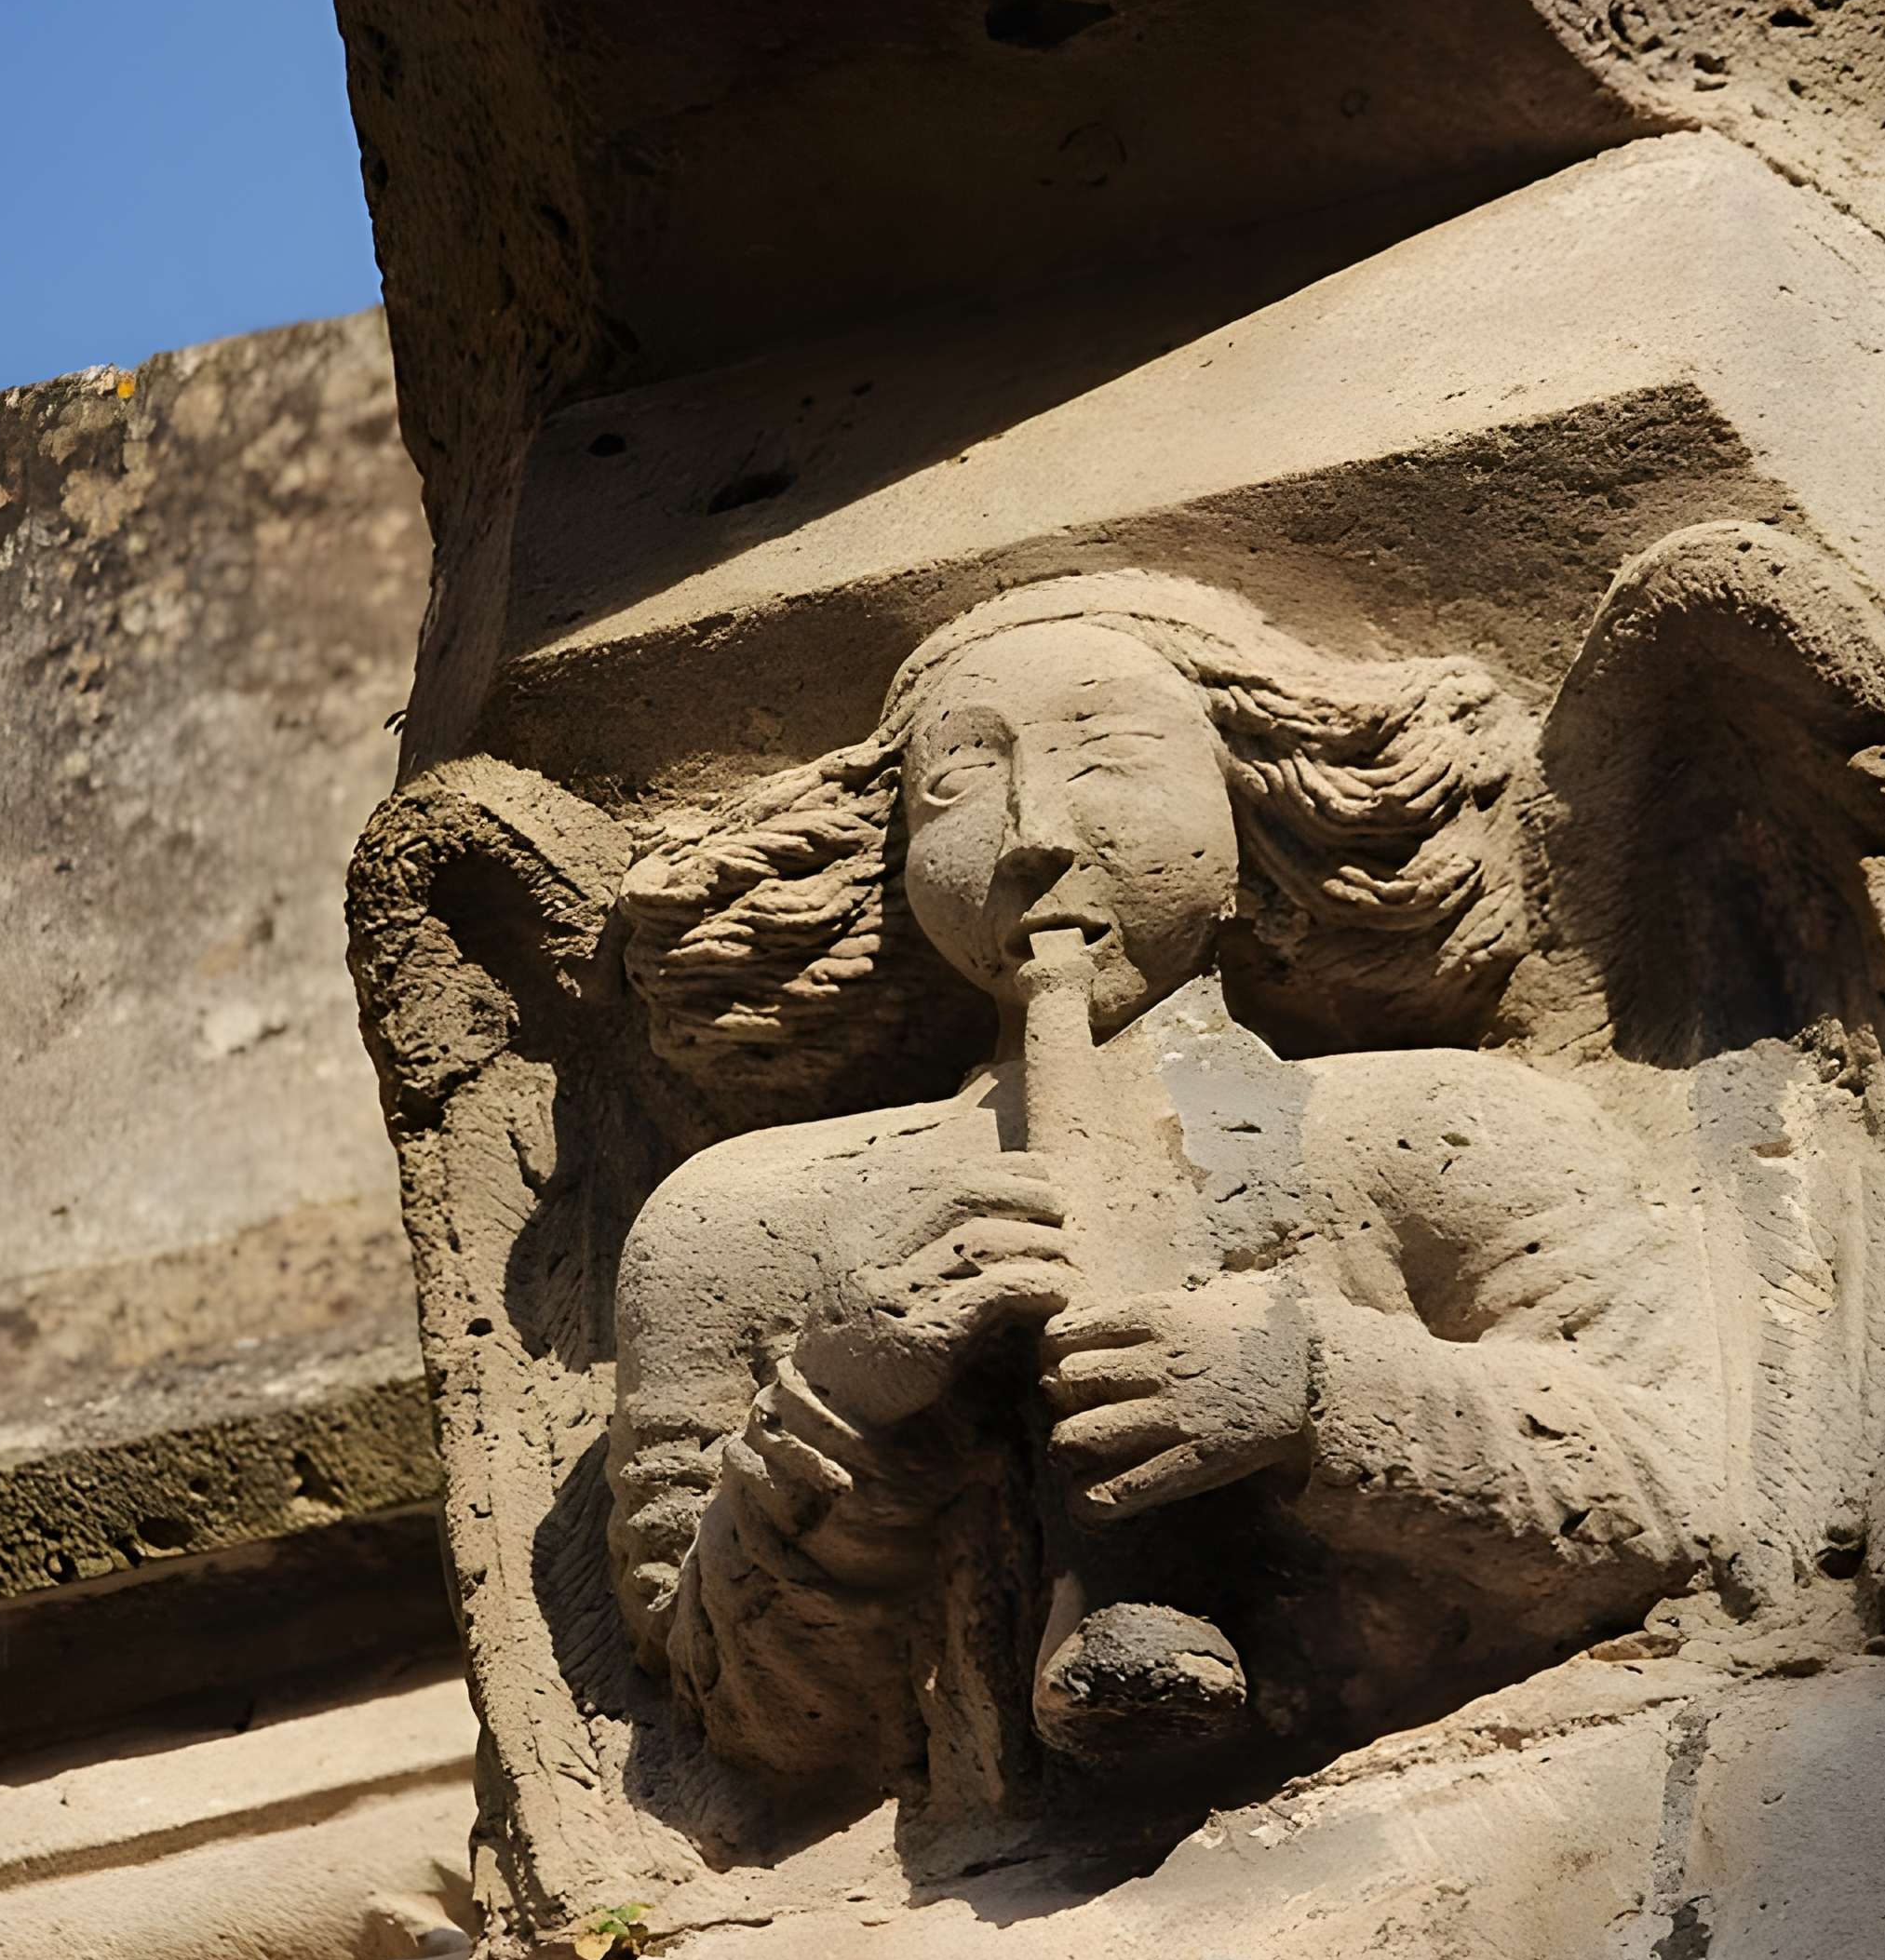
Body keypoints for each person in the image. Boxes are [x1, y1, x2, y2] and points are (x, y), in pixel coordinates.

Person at [602, 574, 1721, 1784]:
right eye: (959, 782)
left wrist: (1314, 1387)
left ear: (1246, 803)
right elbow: (728, 1708)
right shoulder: (745, 1219)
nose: (1033, 829)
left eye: (1110, 758)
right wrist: (842, 1399)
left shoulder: (1445, 1126)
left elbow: (1675, 1493)